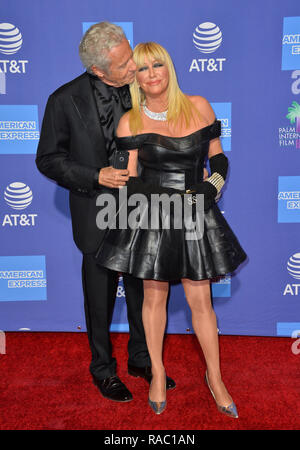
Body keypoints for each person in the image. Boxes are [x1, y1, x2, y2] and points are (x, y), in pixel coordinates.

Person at [96, 42, 247, 416]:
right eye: (143, 69)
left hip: (196, 210)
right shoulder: (130, 120)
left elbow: (218, 155)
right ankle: (158, 373)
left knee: (201, 301)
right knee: (154, 297)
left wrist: (213, 185)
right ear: (136, 78)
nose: (152, 74)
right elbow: (129, 180)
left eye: (158, 65)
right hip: (154, 214)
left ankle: (215, 377)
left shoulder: (199, 106)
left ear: (169, 67)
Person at [35, 23, 176, 403]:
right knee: (99, 296)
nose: (135, 66)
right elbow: (48, 159)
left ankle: (142, 359)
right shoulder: (63, 100)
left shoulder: (143, 87)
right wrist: (94, 175)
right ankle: (102, 369)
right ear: (98, 70)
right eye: (124, 63)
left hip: (142, 205)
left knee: (141, 288)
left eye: (131, 55)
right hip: (95, 209)